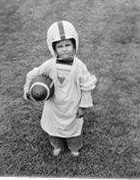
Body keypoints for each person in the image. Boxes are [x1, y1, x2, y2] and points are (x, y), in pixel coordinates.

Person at [23, 20, 97, 157]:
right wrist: (29, 91)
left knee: (73, 130)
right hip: (54, 106)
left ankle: (74, 147)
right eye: (60, 46)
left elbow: (86, 86)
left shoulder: (79, 66)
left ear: (75, 44)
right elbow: (33, 74)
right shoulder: (49, 65)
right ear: (53, 48)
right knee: (54, 128)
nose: (64, 49)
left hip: (72, 105)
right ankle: (57, 145)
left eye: (68, 45)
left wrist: (83, 105)